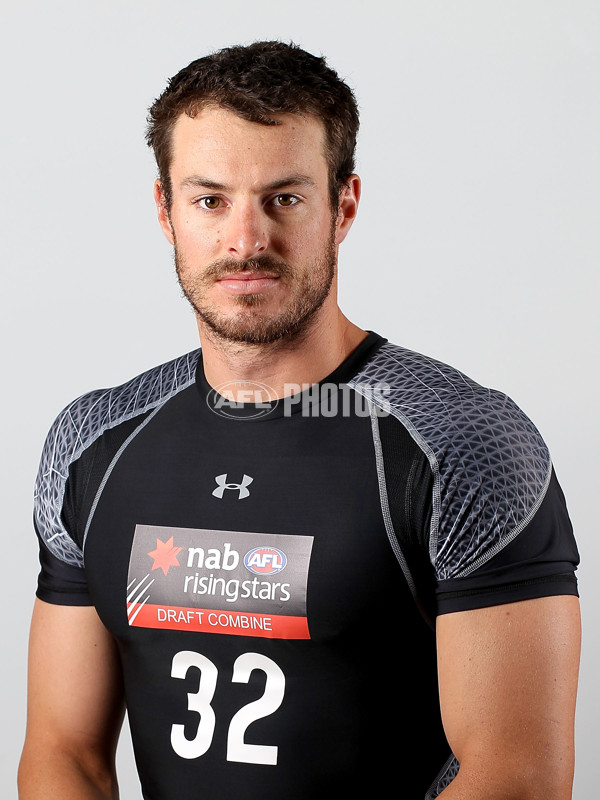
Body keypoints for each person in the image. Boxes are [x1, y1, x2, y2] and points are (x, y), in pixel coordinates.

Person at [18, 41, 580, 800]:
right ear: (165, 211)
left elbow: (518, 776)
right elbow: (64, 752)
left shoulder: (462, 442)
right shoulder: (94, 441)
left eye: (284, 198)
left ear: (343, 205)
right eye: (209, 200)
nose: (245, 241)